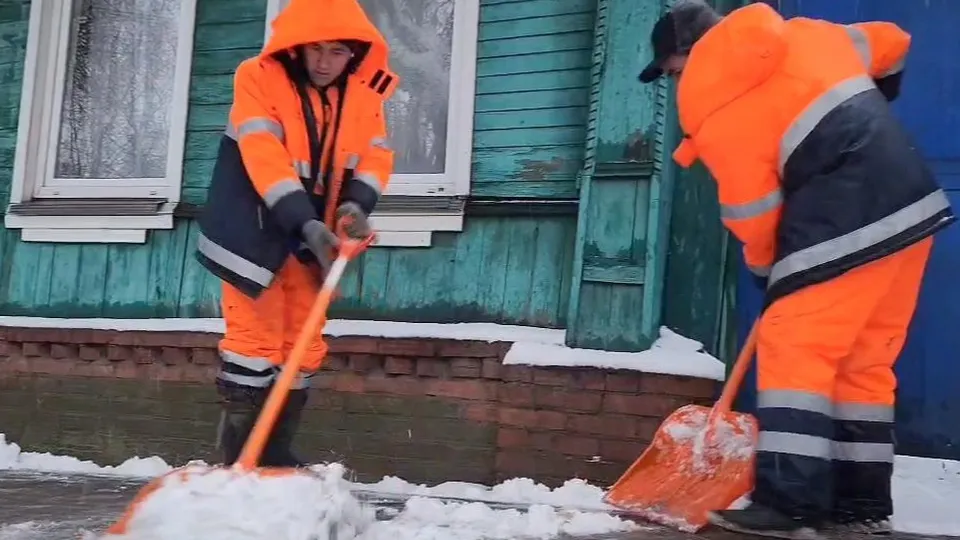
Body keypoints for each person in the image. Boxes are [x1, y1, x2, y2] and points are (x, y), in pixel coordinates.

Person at [637, 1, 956, 538]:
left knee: (793, 345)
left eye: (672, 69)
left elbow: (752, 212)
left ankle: (790, 504)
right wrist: (874, 113)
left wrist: (767, 272)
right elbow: (892, 42)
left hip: (841, 219)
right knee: (863, 362)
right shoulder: (809, 35)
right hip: (911, 206)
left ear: (689, 52)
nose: (675, 80)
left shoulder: (717, 107)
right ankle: (862, 503)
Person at [194, 0, 397, 468]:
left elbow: (375, 157)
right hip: (255, 230)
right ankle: (237, 460)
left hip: (315, 242)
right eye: (316, 50)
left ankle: (276, 453)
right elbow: (263, 155)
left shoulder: (366, 96)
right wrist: (304, 220)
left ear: (356, 53)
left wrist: (354, 209)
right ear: (296, 48)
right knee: (254, 342)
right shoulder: (258, 78)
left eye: (338, 52)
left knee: (303, 347)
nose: (325, 62)